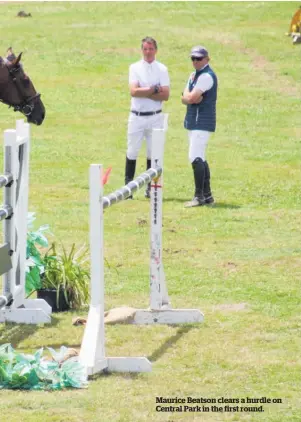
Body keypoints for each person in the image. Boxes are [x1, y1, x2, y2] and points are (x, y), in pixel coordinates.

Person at [124, 37, 170, 198]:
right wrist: (153, 90)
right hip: (137, 116)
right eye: (145, 49)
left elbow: (165, 95)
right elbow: (134, 92)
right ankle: (128, 188)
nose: (148, 52)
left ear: (155, 50)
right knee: (132, 151)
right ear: (141, 50)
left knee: (153, 153)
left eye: (150, 49)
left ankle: (151, 187)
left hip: (155, 116)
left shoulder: (162, 69)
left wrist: (146, 92)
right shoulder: (135, 68)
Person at [181, 45, 218, 207]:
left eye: (199, 58)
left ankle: (199, 197)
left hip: (201, 121)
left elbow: (189, 98)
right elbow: (187, 97)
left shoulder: (206, 77)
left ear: (207, 59)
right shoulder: (195, 75)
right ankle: (207, 195)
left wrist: (188, 97)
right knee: (200, 157)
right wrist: (188, 96)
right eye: (193, 59)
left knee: (194, 157)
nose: (195, 61)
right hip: (195, 121)